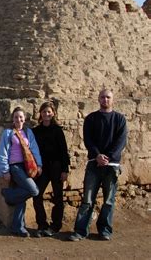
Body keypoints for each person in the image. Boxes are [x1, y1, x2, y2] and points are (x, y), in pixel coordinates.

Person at [68, 89, 127, 241]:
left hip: (112, 165)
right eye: (103, 97)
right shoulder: (91, 119)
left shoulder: (120, 119)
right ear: (98, 99)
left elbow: (120, 142)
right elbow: (88, 140)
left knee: (108, 201)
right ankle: (80, 231)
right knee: (87, 200)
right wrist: (97, 155)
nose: (105, 99)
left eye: (108, 97)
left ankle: (105, 231)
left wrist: (108, 158)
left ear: (112, 100)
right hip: (94, 164)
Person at [0, 106, 43, 237]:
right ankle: (8, 194)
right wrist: (5, 170)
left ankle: (18, 227)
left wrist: (38, 165)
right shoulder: (8, 133)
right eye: (16, 117)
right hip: (15, 167)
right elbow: (3, 152)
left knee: (21, 198)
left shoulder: (28, 133)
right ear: (12, 119)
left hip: (26, 166)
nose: (18, 119)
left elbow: (34, 149)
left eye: (21, 117)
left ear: (24, 118)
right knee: (34, 190)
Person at [32, 101, 70, 237]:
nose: (46, 114)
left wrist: (65, 170)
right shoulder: (35, 131)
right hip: (42, 168)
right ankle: (42, 224)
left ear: (53, 113)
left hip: (56, 167)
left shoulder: (57, 130)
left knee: (58, 197)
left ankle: (55, 225)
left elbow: (64, 151)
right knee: (36, 194)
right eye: (44, 112)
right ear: (40, 114)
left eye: (49, 112)